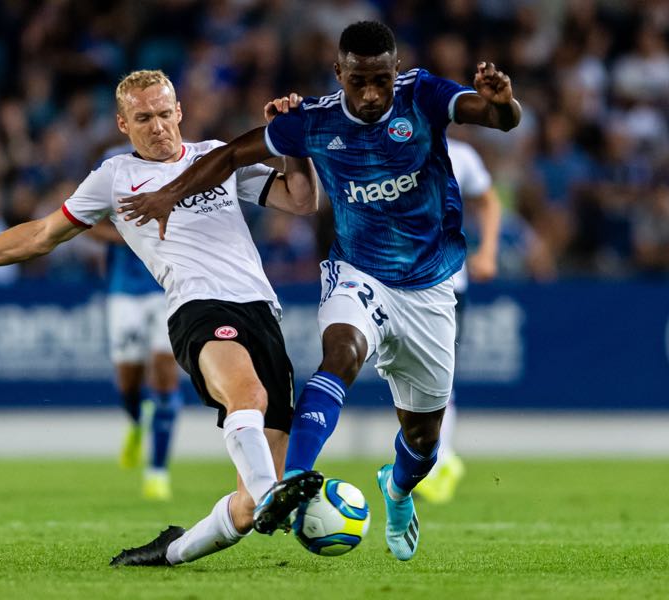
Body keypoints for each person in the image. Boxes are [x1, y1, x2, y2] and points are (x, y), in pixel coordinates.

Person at [117, 21, 521, 561]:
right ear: (340, 74)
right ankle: (294, 479)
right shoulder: (315, 120)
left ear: (396, 71)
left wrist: (504, 106)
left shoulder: (422, 94)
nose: (373, 93)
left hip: (430, 286)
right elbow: (229, 155)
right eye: (360, 81)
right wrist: (171, 194)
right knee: (341, 353)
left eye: (382, 79)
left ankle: (397, 490)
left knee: (423, 440)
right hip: (359, 271)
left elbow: (492, 115)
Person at [0, 69, 324, 566]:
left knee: (247, 505)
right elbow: (40, 235)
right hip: (198, 308)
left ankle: (172, 550)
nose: (158, 126)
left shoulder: (214, 157)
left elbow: (302, 200)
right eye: (144, 118)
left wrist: (294, 141)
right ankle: (273, 496)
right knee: (248, 395)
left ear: (179, 111)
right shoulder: (114, 178)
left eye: (164, 114)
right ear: (123, 124)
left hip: (262, 312)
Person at [90, 142, 184, 501]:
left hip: (166, 287)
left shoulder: (179, 159)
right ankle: (135, 420)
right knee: (127, 383)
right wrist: (130, 236)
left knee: (163, 371)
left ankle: (158, 471)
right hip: (123, 290)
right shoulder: (112, 161)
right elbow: (88, 223)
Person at [414, 136, 502, 504]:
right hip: (394, 282)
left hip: (448, 283)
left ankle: (435, 464)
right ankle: (438, 459)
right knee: (410, 378)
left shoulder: (461, 155)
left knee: (438, 379)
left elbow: (488, 200)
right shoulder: (383, 145)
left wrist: (488, 252)